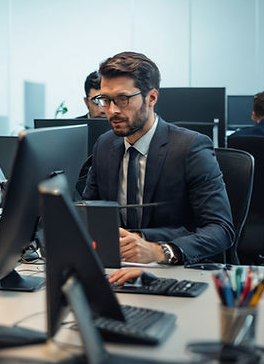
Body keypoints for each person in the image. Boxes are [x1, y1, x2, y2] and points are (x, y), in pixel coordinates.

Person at [83, 51, 234, 270]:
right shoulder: (104, 146)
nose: (112, 110)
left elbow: (220, 230)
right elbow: (90, 213)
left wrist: (158, 250)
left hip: (174, 270)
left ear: (152, 97)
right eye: (105, 100)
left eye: (123, 99)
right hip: (116, 270)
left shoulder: (190, 147)